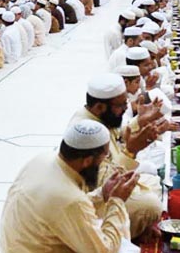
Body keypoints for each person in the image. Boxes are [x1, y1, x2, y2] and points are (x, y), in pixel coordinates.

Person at [0, 120, 151, 253]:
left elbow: (63, 209)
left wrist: (102, 194)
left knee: (111, 231)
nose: (102, 163)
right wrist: (117, 202)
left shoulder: (43, 159)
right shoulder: (70, 199)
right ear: (87, 161)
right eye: (103, 157)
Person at [68, 73, 163, 239]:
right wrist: (131, 151)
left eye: (126, 102)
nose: (126, 108)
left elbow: (119, 135)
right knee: (150, 205)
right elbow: (106, 183)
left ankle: (136, 226)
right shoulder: (88, 130)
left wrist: (140, 121)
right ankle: (118, 236)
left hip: (109, 181)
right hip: (92, 200)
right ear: (99, 107)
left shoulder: (101, 116)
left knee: (152, 181)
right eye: (121, 105)